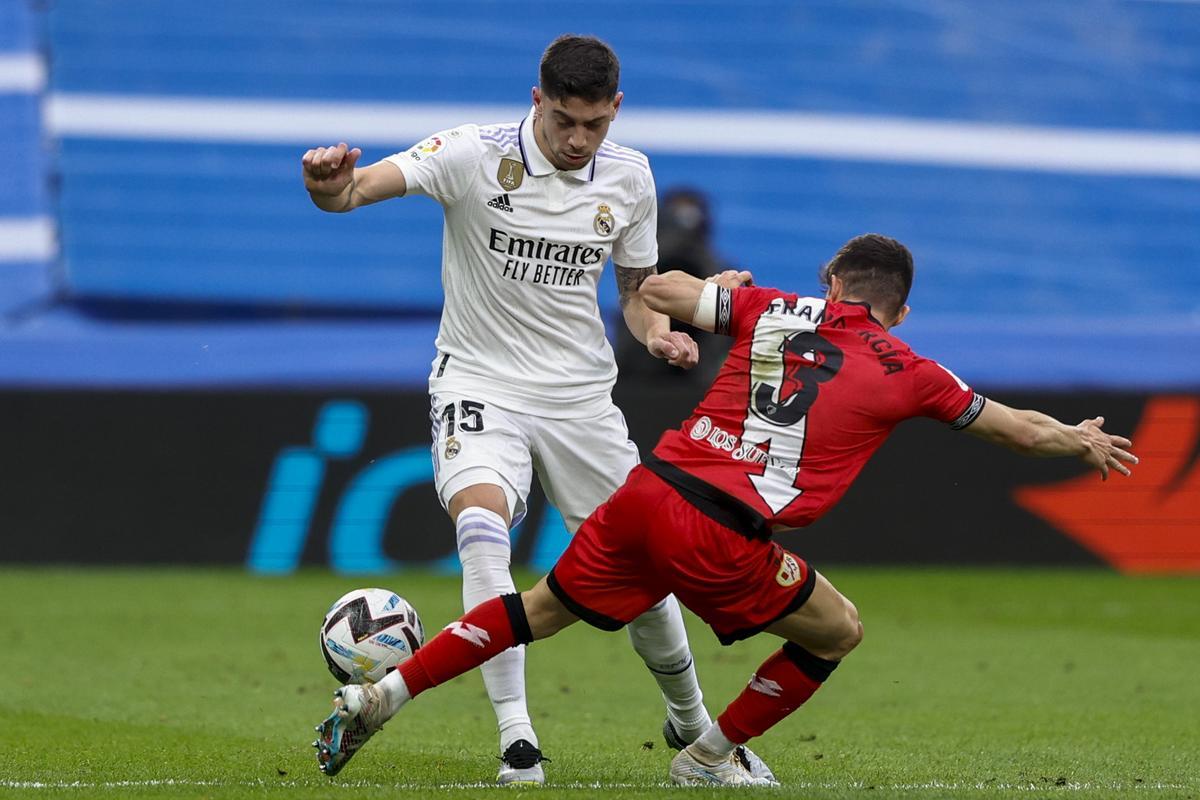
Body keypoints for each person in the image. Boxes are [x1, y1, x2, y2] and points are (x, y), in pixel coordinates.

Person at [312, 233, 1139, 786]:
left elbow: (660, 289)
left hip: (649, 490)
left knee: (532, 612)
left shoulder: (775, 308)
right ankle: (710, 754)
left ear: (831, 284)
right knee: (838, 629)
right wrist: (1080, 440)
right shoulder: (913, 367)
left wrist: (716, 289)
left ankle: (381, 696)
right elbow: (1017, 432)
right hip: (720, 528)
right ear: (902, 309)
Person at [301, 34, 772, 784]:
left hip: (581, 397)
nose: (578, 139)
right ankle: (517, 741)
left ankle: (694, 731)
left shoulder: (630, 177)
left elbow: (635, 291)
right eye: (562, 121)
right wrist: (328, 182)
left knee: (647, 563)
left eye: (594, 123)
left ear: (616, 109)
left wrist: (661, 336)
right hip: (479, 381)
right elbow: (351, 193)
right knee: (483, 528)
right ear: (536, 101)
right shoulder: (469, 153)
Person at [615, 187, 730, 386]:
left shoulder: (721, 274)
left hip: (697, 376)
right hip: (640, 376)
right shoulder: (643, 267)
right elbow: (637, 295)